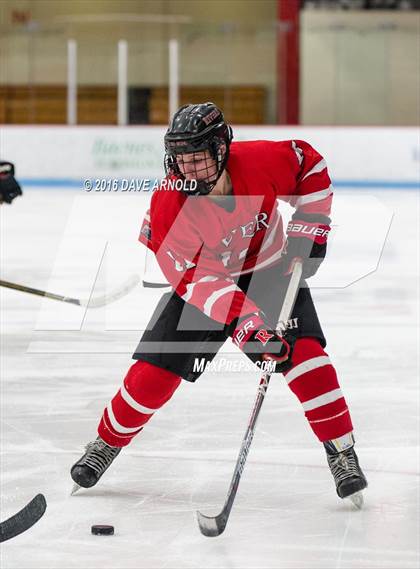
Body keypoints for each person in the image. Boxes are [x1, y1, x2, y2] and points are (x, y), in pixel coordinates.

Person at [71, 102, 367, 504]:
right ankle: (106, 442)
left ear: (221, 150)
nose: (188, 170)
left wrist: (309, 224)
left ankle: (342, 452)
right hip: (206, 285)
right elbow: (199, 281)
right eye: (181, 161)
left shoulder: (260, 161)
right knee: (153, 375)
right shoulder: (168, 204)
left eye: (198, 159)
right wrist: (246, 325)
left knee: (309, 361)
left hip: (271, 270)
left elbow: (308, 165)